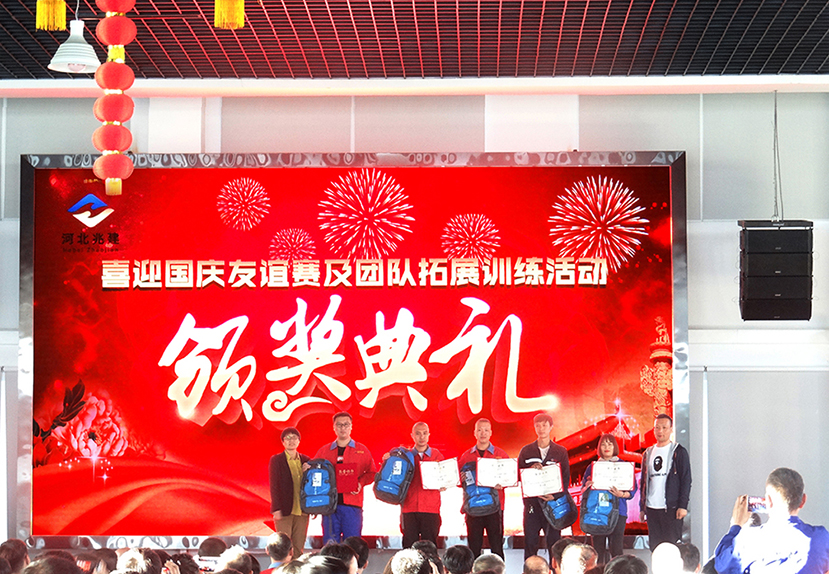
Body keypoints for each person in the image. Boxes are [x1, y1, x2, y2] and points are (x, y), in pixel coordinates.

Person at [714, 467, 829, 574]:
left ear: (768, 501)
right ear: (803, 501)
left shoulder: (748, 540)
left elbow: (721, 564)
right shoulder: (822, 538)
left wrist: (736, 525)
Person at [314, 412, 377, 543]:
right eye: (339, 425)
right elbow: (315, 472)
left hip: (352, 506)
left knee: (352, 544)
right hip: (330, 507)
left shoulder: (362, 450)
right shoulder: (324, 451)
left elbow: (372, 473)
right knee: (330, 545)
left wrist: (360, 483)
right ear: (334, 427)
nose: (343, 428)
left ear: (351, 427)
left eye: (346, 424)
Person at [518, 413, 571, 560]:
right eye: (538, 425)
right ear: (534, 428)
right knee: (530, 543)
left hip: (553, 506)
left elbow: (565, 478)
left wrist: (554, 496)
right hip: (532, 506)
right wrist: (530, 471)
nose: (541, 429)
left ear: (551, 427)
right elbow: (518, 476)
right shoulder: (526, 451)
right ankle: (529, 569)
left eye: (544, 425)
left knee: (554, 545)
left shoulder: (560, 451)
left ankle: (554, 570)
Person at [580, 433, 637, 563]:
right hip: (597, 512)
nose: (607, 447)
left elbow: (632, 490)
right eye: (604, 444)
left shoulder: (624, 466)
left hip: (619, 512)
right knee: (597, 551)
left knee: (617, 549)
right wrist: (587, 485)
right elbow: (583, 489)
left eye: (610, 444)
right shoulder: (592, 467)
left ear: (614, 447)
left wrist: (621, 494)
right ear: (599, 447)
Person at [457, 418, 508, 558]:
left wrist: (502, 482)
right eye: (479, 430)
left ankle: (499, 569)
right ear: (474, 433)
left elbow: (511, 477)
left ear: (491, 432)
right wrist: (460, 478)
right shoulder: (466, 456)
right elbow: (458, 481)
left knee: (497, 547)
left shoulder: (500, 454)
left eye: (486, 430)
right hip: (473, 508)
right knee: (474, 548)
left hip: (495, 508)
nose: (483, 433)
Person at [639, 414, 692, 548]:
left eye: (664, 427)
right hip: (652, 508)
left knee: (672, 547)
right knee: (655, 547)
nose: (660, 431)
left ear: (671, 429)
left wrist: (683, 505)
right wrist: (642, 507)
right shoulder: (648, 453)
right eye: (657, 428)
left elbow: (686, 479)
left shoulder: (678, 451)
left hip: (671, 508)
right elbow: (644, 483)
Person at [394, 422, 445, 547]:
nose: (421, 437)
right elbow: (395, 476)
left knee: (430, 547)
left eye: (424, 433)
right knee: (409, 546)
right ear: (412, 435)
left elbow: (445, 478)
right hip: (409, 508)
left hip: (431, 508)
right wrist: (389, 460)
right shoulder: (405, 456)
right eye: (418, 433)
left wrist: (444, 484)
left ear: (429, 435)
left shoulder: (437, 455)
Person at [270, 427, 312, 557]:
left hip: (302, 511)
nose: (291, 441)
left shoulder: (306, 460)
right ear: (283, 442)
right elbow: (274, 485)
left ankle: (297, 568)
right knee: (283, 548)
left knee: (298, 548)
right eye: (288, 438)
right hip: (284, 511)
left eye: (294, 438)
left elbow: (312, 485)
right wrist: (276, 509)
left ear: (299, 441)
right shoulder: (277, 460)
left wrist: (309, 472)